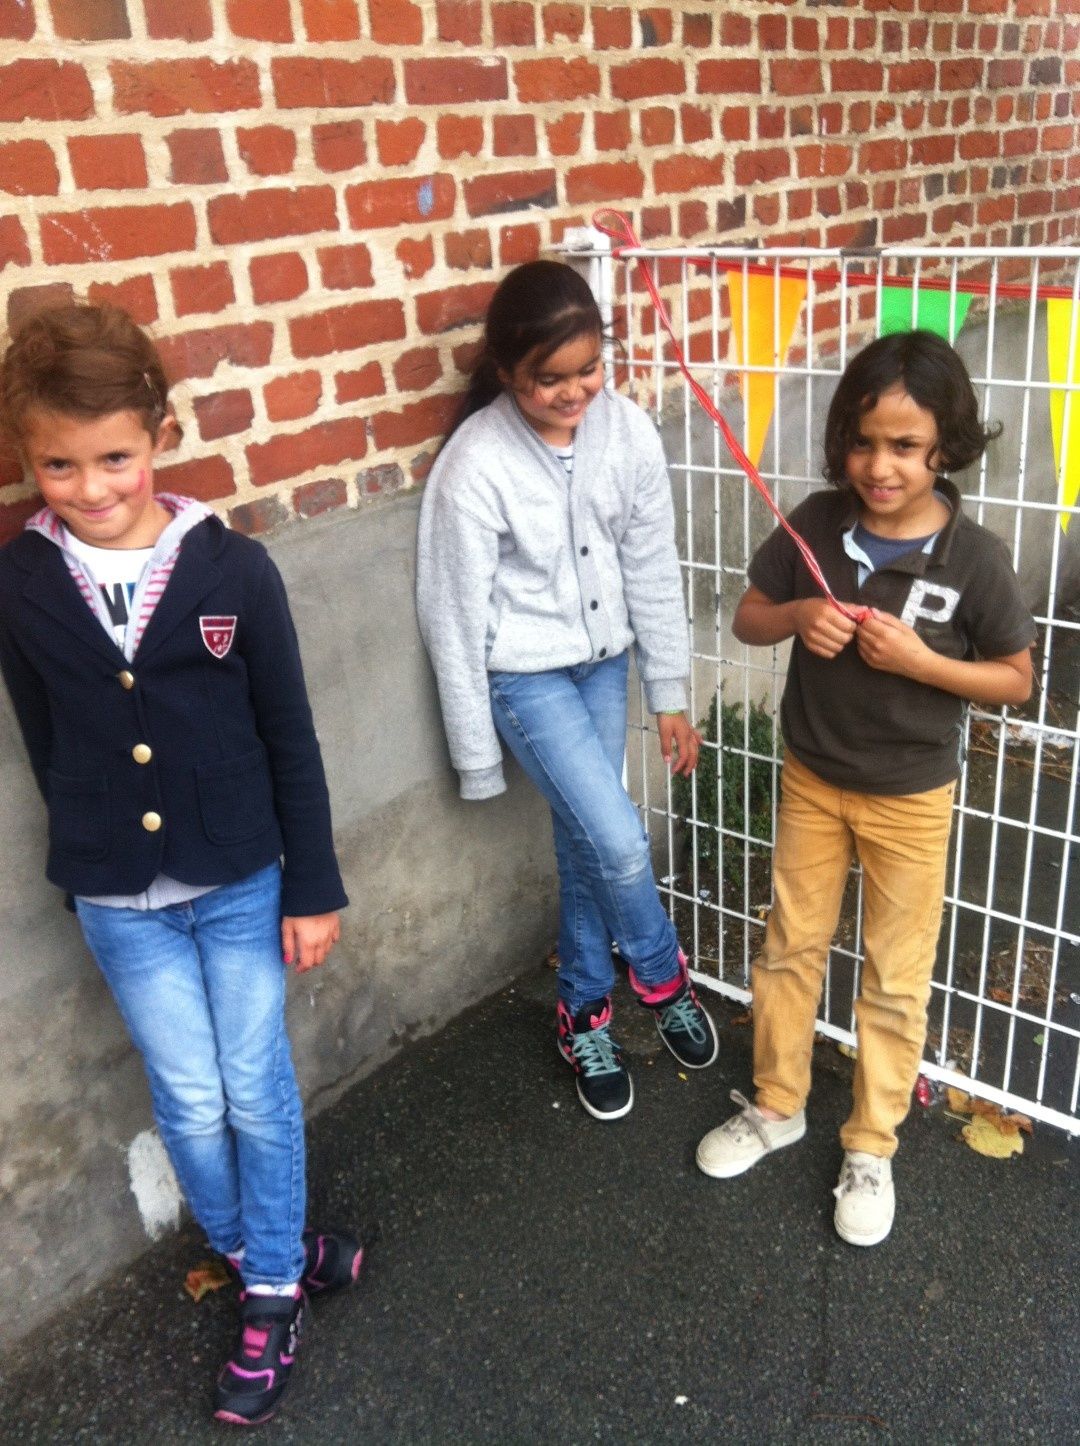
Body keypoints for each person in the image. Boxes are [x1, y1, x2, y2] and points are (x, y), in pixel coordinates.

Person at [0, 304, 363, 1425]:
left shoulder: (232, 569)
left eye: (115, 457)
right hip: (121, 901)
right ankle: (269, 1252)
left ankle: (270, 1294)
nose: (92, 486)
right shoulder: (20, 581)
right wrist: (88, 852)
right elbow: (46, 738)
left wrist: (313, 885)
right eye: (58, 465)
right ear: (26, 459)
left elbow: (289, 734)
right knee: (192, 1099)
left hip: (243, 880)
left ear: (160, 433)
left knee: (255, 1086)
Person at [696, 330, 1035, 1245]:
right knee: (789, 946)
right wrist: (800, 613)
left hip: (911, 797)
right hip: (812, 777)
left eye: (906, 446)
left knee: (893, 974)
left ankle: (872, 1143)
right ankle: (777, 1104)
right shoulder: (814, 524)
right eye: (863, 442)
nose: (881, 466)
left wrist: (924, 663)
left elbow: (1016, 677)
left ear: (946, 447)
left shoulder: (974, 557)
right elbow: (749, 616)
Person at [416, 260, 719, 1122]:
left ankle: (582, 1010)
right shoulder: (476, 465)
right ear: (507, 370)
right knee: (618, 840)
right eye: (549, 377)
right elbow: (452, 614)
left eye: (589, 369)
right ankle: (660, 974)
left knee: (586, 838)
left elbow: (651, 562)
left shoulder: (627, 432)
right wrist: (476, 753)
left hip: (604, 663)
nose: (574, 391)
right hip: (526, 677)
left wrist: (669, 690)